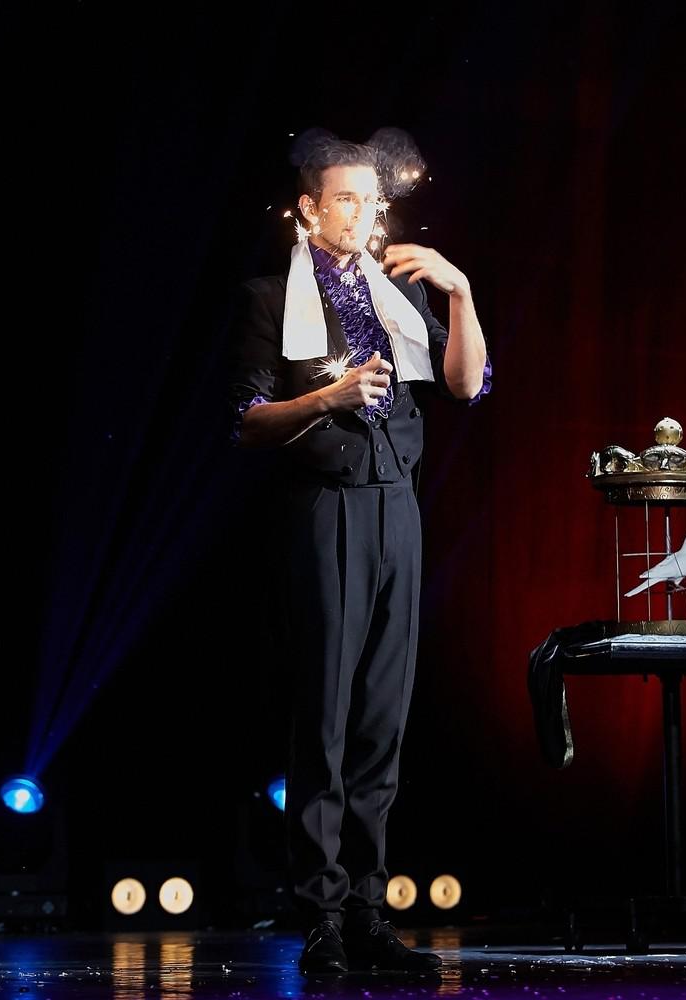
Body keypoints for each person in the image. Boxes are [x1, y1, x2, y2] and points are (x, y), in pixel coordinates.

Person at [227, 129, 490, 975]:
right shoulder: (272, 296)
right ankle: (322, 916)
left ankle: (371, 912)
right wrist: (328, 396)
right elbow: (246, 422)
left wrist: (460, 292)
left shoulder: (393, 292)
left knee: (383, 718)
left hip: (396, 511)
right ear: (309, 207)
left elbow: (464, 383)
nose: (362, 213)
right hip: (324, 512)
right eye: (345, 198)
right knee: (327, 719)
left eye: (370, 200)